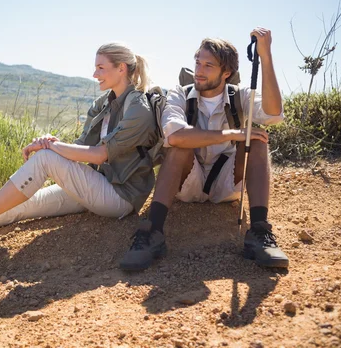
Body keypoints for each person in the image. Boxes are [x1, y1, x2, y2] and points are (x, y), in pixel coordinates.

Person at [0, 42, 159, 242]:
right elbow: (81, 148)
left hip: (119, 198)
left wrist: (50, 148)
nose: (94, 73)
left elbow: (100, 155)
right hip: (95, 184)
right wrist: (55, 142)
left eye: (101, 67)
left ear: (121, 68)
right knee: (21, 205)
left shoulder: (138, 107)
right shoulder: (104, 103)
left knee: (45, 158)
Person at [120, 28, 289, 271]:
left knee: (258, 141)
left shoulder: (240, 96)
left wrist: (265, 56)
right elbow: (175, 135)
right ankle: (152, 233)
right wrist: (232, 133)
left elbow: (274, 114)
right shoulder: (180, 94)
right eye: (198, 62)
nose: (199, 70)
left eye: (208, 65)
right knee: (179, 145)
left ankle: (259, 233)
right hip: (189, 182)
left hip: (227, 182)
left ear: (226, 72)